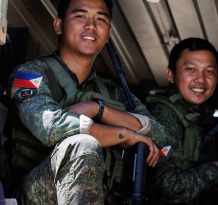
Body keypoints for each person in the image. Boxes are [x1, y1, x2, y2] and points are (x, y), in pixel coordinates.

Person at [5, 0, 166, 204]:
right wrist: (123, 134)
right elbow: (50, 127)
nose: (91, 25)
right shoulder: (31, 74)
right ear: (59, 25)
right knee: (82, 143)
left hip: (100, 196)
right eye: (80, 16)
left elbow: (161, 136)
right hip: (37, 193)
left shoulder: (113, 92)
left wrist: (98, 110)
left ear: (108, 35)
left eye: (100, 18)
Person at [145, 37, 218, 204]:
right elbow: (167, 189)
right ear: (171, 74)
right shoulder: (163, 116)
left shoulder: (203, 118)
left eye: (209, 71)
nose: (201, 79)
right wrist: (216, 171)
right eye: (190, 69)